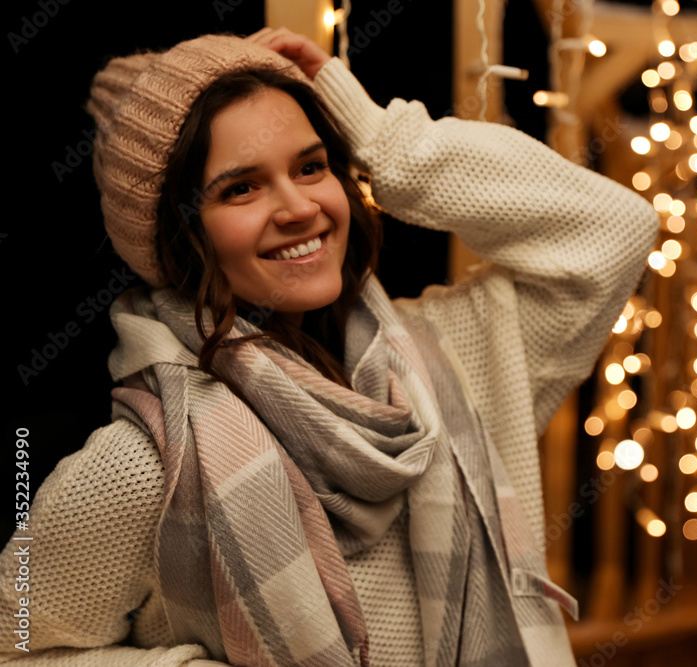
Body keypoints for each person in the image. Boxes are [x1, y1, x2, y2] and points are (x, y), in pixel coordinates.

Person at [0, 27, 657, 667]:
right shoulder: (146, 464)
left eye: (311, 166)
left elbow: (614, 230)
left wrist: (374, 134)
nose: (298, 207)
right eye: (241, 187)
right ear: (175, 236)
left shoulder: (456, 359)